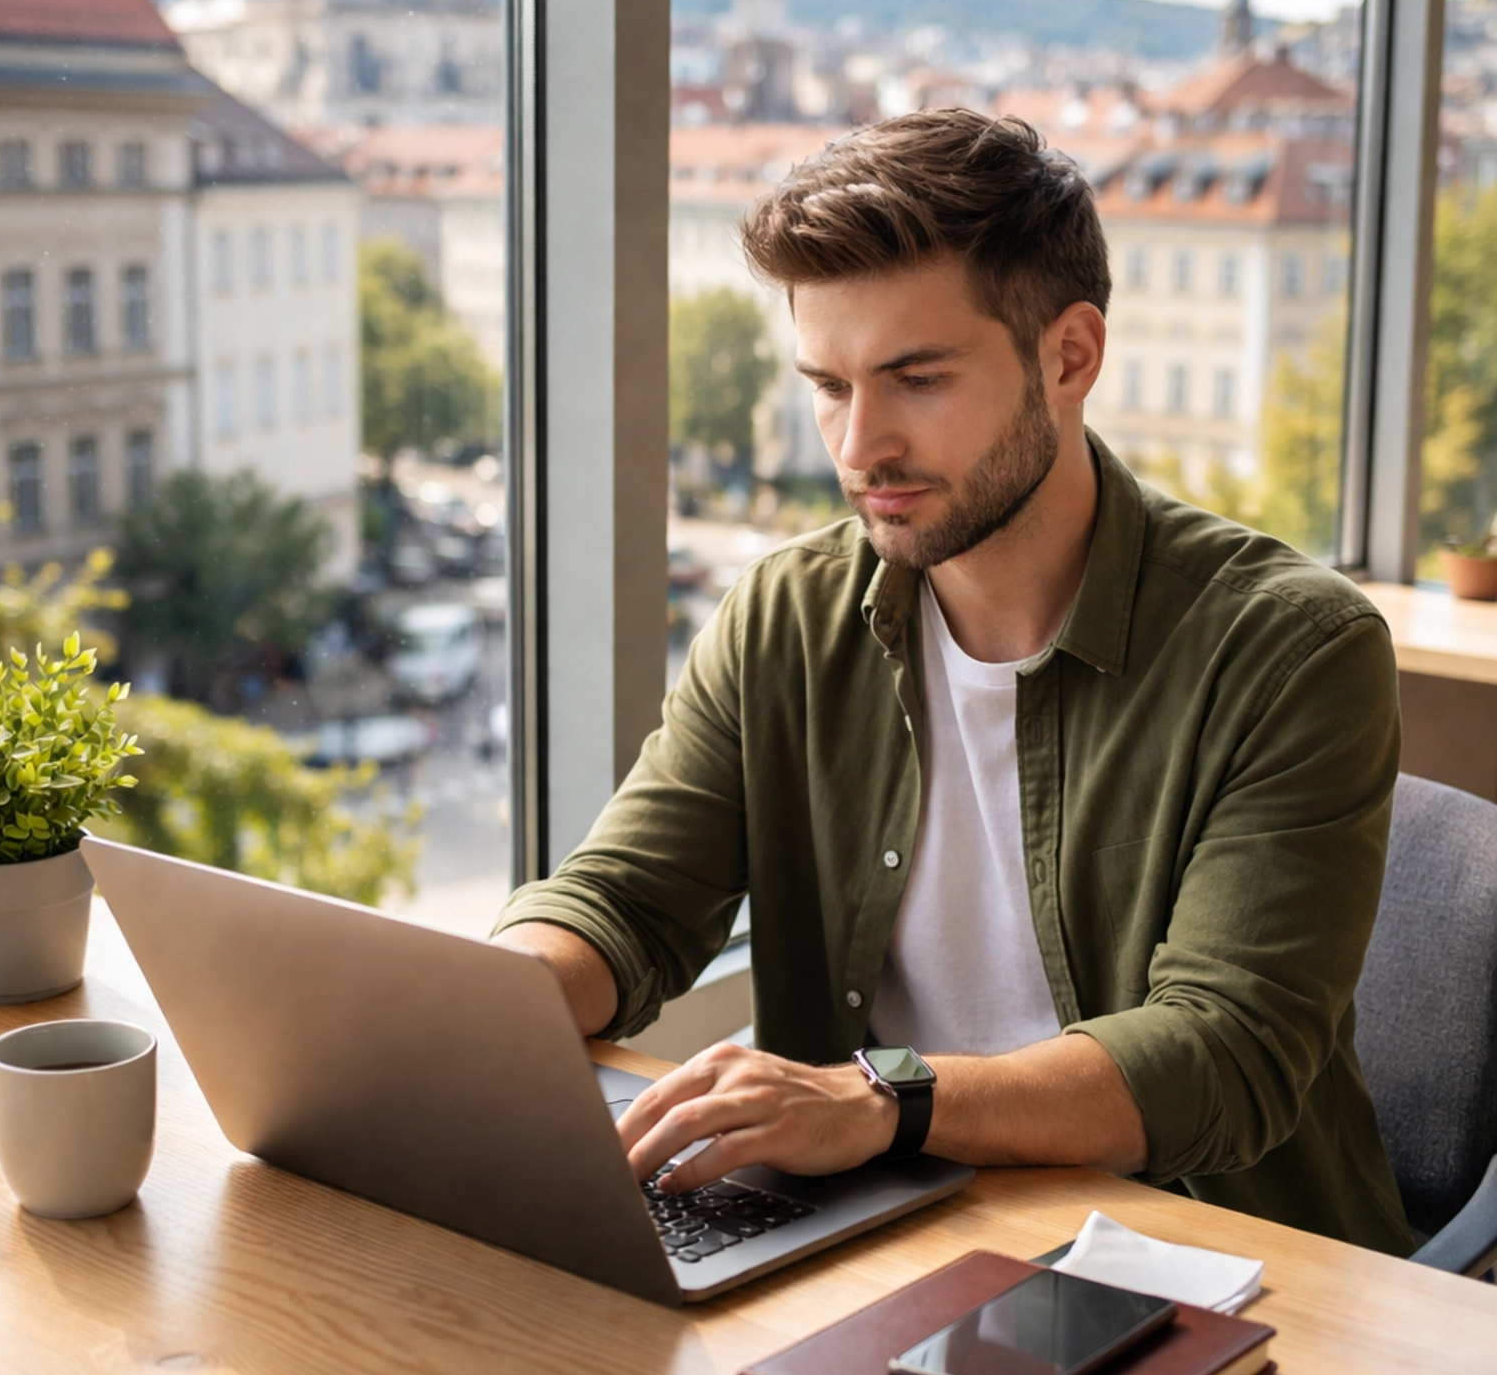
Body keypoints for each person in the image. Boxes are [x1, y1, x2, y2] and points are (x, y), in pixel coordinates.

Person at [494, 110, 1412, 1255]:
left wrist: (885, 1100)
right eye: (828, 385)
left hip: (1209, 1260)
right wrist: (479, 1007)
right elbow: (625, 903)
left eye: (916, 379)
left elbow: (1223, 1052)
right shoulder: (787, 615)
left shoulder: (1290, 650)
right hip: (877, 1231)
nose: (858, 445)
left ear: (1069, 358)